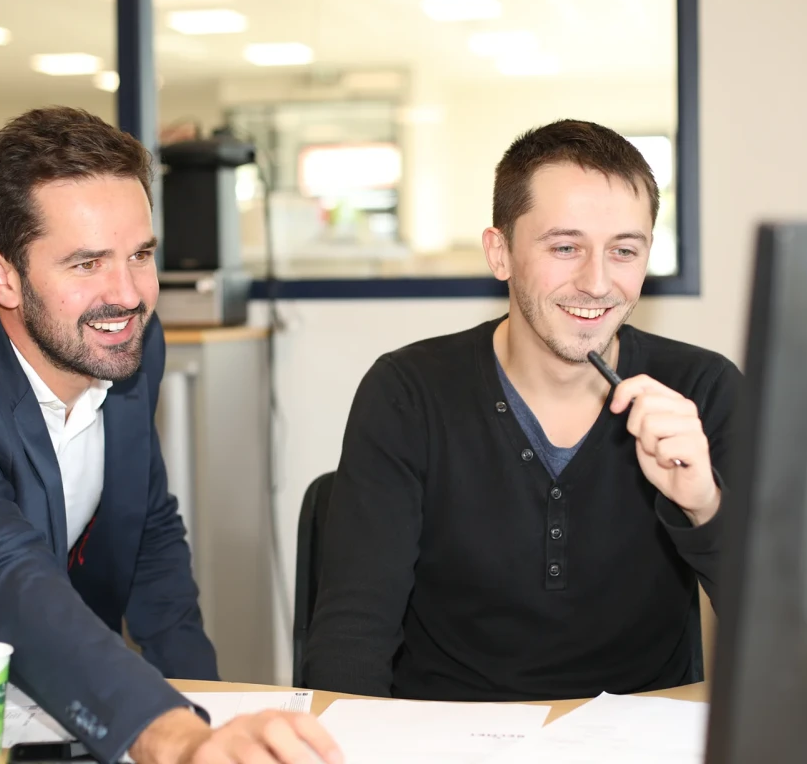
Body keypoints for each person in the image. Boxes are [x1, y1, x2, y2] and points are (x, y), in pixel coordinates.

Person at [0, 106, 340, 764]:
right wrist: (174, 737)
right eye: (86, 263)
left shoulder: (121, 340)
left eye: (141, 255)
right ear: (1, 276)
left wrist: (207, 711)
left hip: (76, 705)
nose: (128, 294)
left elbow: (148, 525)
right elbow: (4, 581)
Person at [303, 119, 742, 702]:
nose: (597, 282)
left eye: (624, 251)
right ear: (500, 252)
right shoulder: (408, 392)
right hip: (449, 733)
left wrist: (705, 506)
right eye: (565, 247)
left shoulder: (701, 389)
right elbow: (352, 634)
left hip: (641, 735)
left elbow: (788, 630)